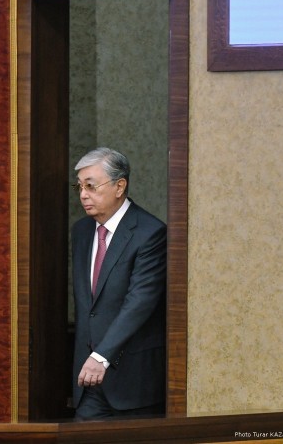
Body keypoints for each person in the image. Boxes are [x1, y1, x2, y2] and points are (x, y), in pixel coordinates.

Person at [70, 147, 166, 420]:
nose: (83, 195)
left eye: (91, 186)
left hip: (133, 380)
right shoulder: (81, 232)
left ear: (119, 186)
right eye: (79, 187)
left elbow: (140, 302)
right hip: (87, 382)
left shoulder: (150, 233)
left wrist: (101, 356)